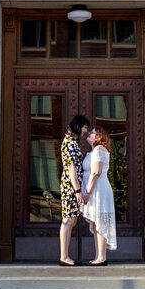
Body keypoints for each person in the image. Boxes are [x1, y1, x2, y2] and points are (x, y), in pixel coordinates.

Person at [79, 126, 117, 265]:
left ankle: (102, 257)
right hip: (93, 188)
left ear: (99, 136)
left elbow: (96, 172)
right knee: (96, 223)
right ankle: (98, 256)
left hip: (99, 189)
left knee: (100, 221)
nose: (90, 134)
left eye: (93, 132)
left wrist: (87, 192)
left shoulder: (99, 149)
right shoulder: (93, 151)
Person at [57, 113, 91, 266]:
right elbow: (71, 168)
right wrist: (77, 190)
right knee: (68, 220)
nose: (86, 131)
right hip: (71, 187)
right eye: (85, 127)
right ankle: (64, 257)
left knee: (71, 219)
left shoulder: (71, 142)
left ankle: (65, 256)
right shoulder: (70, 143)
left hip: (71, 186)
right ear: (78, 126)